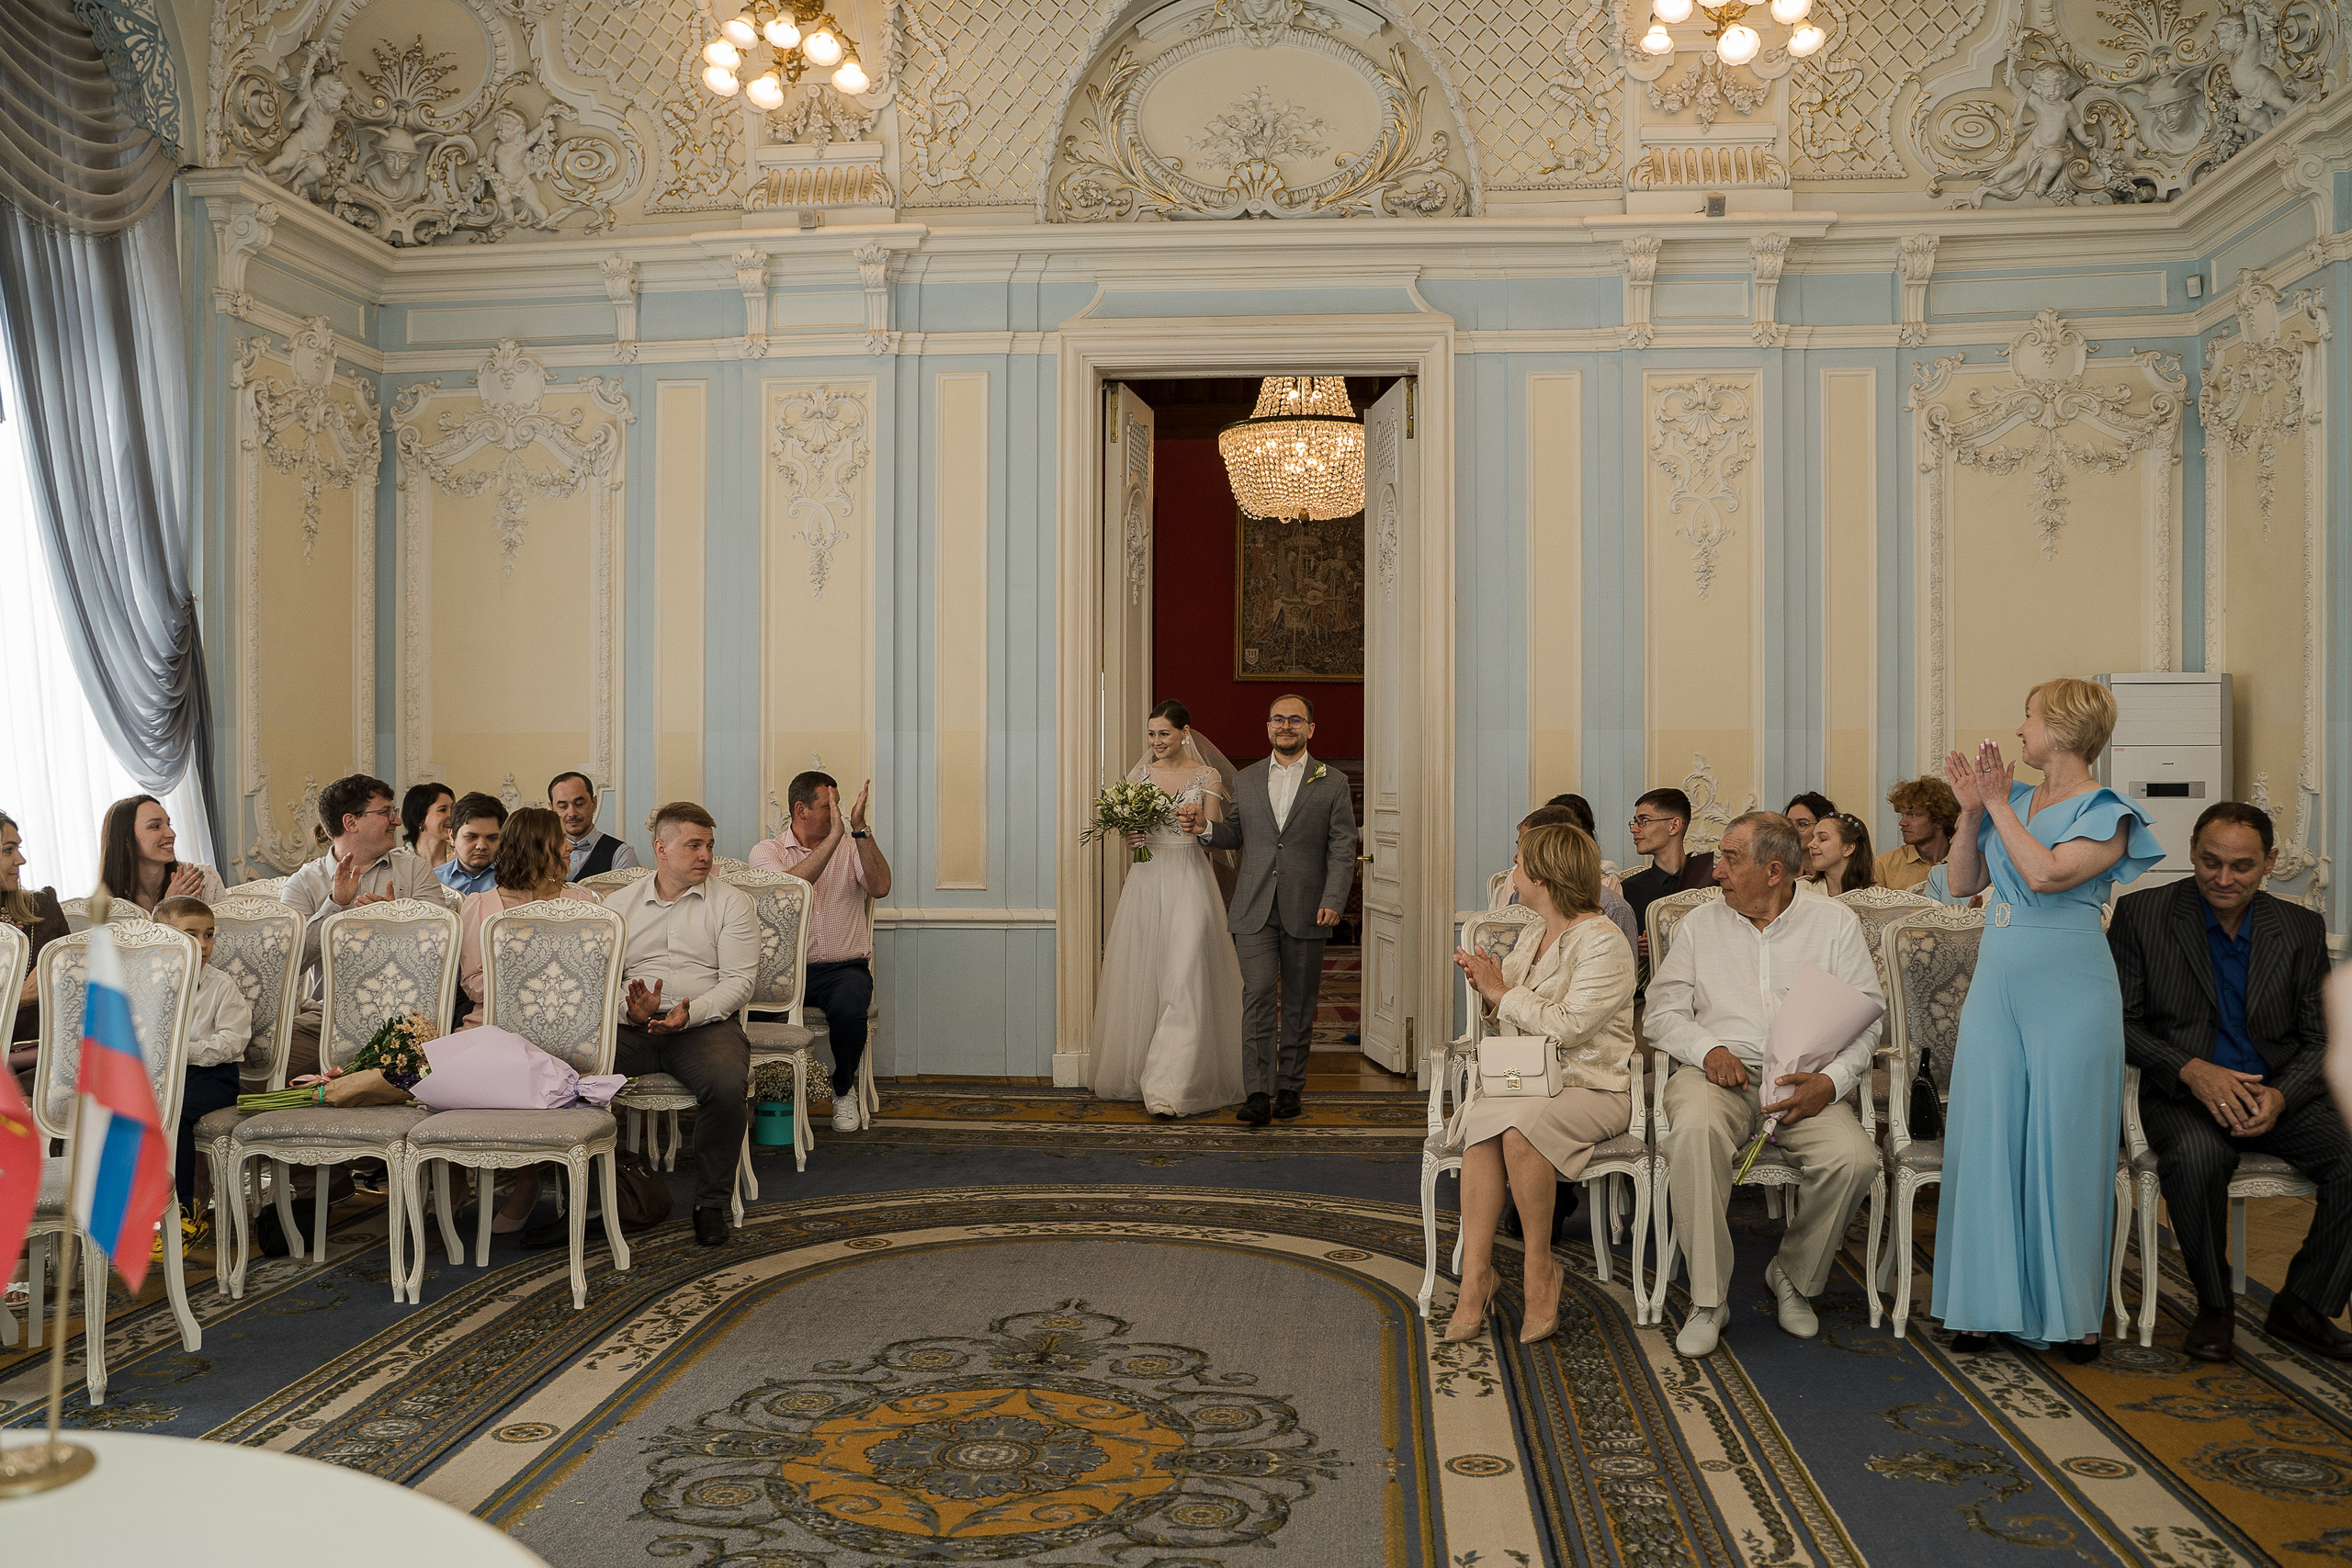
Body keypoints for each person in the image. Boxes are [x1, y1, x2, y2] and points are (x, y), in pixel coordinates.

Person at [1934, 680, 2163, 1361]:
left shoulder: (2109, 809)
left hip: (2070, 981)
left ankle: (2072, 1316)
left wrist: (2000, 804)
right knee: (1987, 1135)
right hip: (1999, 973)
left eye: (2028, 716)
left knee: (2066, 1143)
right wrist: (1973, 812)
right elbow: (1960, 882)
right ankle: (1981, 1304)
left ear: (2061, 728)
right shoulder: (2018, 801)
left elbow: (2045, 873)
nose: (2019, 728)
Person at [2110, 802, 2350, 1361]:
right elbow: (2118, 1021)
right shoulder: (2142, 915)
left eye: (2240, 866)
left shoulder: (2299, 927)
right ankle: (2214, 1306)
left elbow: (2321, 1038)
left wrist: (2282, 1094)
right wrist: (2191, 1070)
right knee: (2197, 1159)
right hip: (2180, 1092)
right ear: (2192, 852)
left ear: (2268, 862)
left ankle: (2303, 1305)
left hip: (2276, 1094)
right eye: (2209, 862)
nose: (2223, 878)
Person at [1646, 811, 1883, 1358]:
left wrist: (1830, 1081)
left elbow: (1868, 1018)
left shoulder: (1834, 924)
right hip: (1716, 1074)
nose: (1715, 872)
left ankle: (1793, 1278)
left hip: (1802, 1083)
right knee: (1695, 1134)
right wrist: (1709, 1049)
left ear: (1774, 870)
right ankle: (1709, 1299)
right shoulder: (1700, 926)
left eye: (1730, 859)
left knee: (1854, 1159)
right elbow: (1660, 1015)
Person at [1446, 823, 1637, 1345]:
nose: (1512, 868)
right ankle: (1476, 1277)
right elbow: (1514, 1020)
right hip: (1529, 1081)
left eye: (1519, 860)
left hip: (1594, 1086)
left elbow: (1571, 1025)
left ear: (1543, 875)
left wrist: (1501, 991)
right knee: (1485, 1131)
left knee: (1516, 1129)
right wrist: (1490, 994)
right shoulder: (1532, 934)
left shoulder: (1603, 940)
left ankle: (1538, 1267)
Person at [1180, 694, 1358, 1126]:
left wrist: (1334, 899)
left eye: (1295, 720)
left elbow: (1343, 846)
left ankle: (1290, 1088)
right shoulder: (1247, 779)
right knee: (1256, 997)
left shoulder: (1331, 781)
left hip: (1309, 909)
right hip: (1254, 908)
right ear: (1268, 727)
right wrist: (1205, 829)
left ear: (1310, 729)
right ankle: (1258, 1091)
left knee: (1298, 1004)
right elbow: (1235, 834)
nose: (1286, 726)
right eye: (1278, 719)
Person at [606, 802, 757, 1247]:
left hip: (703, 1024)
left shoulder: (732, 903)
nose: (706, 856)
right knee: (571, 1075)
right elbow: (603, 981)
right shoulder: (618, 906)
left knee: (728, 1085)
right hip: (634, 1026)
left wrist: (690, 1012)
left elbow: (739, 982)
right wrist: (627, 1010)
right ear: (662, 848)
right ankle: (602, 1193)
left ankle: (710, 1204)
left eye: (709, 846)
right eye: (694, 845)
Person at [1087, 701, 1245, 1118]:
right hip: (1147, 881)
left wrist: (1198, 822)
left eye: (1165, 734)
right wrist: (1132, 838)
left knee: (1184, 977)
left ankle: (1168, 1086)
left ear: (1184, 733)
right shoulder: (1138, 775)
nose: (1156, 742)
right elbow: (1129, 836)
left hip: (1190, 881)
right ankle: (1141, 1072)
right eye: (1152, 734)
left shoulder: (1206, 776)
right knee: (1146, 975)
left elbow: (1211, 837)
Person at [455, 807, 602, 1233]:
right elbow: (474, 985)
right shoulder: (480, 906)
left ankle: (530, 1180)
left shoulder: (583, 904)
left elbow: (595, 982)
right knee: (434, 1072)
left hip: (566, 1031)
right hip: (491, 1029)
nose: (568, 852)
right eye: (561, 845)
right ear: (538, 849)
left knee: (530, 1068)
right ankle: (461, 1181)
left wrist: (533, 990)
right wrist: (535, 989)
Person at [747, 770, 895, 1131]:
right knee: (736, 1019)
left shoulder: (852, 843)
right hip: (779, 971)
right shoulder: (767, 851)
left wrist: (858, 832)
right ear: (801, 809)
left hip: (842, 969)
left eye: (839, 805)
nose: (838, 815)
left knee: (849, 1012)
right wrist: (834, 840)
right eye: (829, 807)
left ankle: (843, 1090)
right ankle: (748, 1094)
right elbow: (791, 892)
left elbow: (881, 887)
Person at [280, 773, 446, 1083]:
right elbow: (292, 962)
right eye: (385, 812)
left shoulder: (415, 870)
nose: (396, 821)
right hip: (325, 1019)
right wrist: (336, 906)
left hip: (406, 1018)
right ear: (351, 822)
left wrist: (393, 920)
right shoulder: (303, 883)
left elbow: (443, 952)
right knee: (261, 1067)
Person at [153, 897, 254, 1234]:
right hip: (162, 1075)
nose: (203, 944)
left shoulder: (221, 987)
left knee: (173, 1114)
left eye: (209, 934)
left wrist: (184, 1051)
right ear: (163, 937)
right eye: (191, 934)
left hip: (211, 1077)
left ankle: (182, 1211)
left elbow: (234, 1040)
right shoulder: (147, 983)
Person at [1499, 804, 1639, 955]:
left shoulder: (1612, 911)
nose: (1514, 860)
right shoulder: (1530, 928)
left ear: (1539, 873)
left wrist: (1493, 980)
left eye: (1520, 862)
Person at [2, 808, 71, 1081]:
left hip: (49, 1058)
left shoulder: (42, 908)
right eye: (8, 850)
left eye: (18, 848)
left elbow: (74, 985)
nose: (21, 859)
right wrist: (18, 999)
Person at [1621, 788, 1716, 962]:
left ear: (1674, 826)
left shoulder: (1713, 885)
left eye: (1643, 821)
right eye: (1634, 822)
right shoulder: (1628, 890)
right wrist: (1635, 949)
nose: (1634, 829)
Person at [98, 795, 225, 914]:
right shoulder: (107, 902)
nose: (171, 834)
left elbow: (222, 935)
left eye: (168, 824)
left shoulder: (203, 878)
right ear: (126, 839)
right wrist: (167, 908)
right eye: (155, 826)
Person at [551, 771, 638, 881]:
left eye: (579, 804)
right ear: (552, 809)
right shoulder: (541, 853)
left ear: (594, 803)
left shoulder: (620, 853)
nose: (572, 813)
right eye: (563, 806)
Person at [1878, 776, 1960, 891]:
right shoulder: (1883, 866)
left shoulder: (1967, 862)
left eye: (1912, 815)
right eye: (1902, 815)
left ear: (1939, 820)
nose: (1902, 823)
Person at [435, 793, 507, 897]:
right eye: (471, 837)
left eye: (492, 838)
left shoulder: (516, 881)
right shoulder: (434, 880)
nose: (481, 846)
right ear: (452, 837)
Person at [1804, 813, 1877, 896]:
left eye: (1822, 839)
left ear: (1848, 848)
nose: (1810, 844)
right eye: (1813, 838)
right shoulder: (1801, 891)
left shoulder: (1872, 897)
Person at [401, 783, 457, 869]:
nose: (452, 815)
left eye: (453, 809)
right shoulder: (398, 861)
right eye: (443, 810)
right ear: (420, 819)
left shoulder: (461, 859)